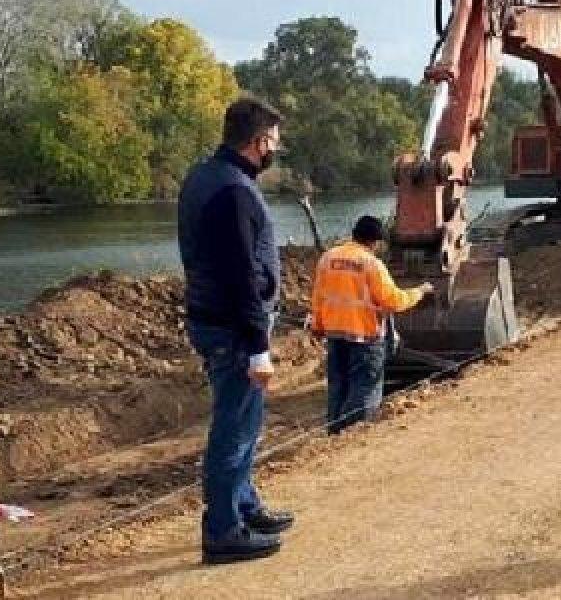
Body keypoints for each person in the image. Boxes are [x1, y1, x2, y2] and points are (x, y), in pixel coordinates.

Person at [178, 97, 292, 564]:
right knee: (235, 429)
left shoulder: (206, 178)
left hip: (217, 322)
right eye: (274, 144)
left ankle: (244, 507)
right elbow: (241, 275)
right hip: (232, 331)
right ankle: (224, 531)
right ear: (258, 142)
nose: (275, 153)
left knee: (244, 424)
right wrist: (258, 346)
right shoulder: (233, 191)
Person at [311, 215, 433, 433]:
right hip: (365, 338)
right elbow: (393, 300)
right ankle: (353, 437)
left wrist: (318, 326)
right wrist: (420, 292)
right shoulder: (371, 264)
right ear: (375, 242)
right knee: (365, 389)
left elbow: (319, 297)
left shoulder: (327, 258)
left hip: (335, 335)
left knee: (338, 385)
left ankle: (333, 435)